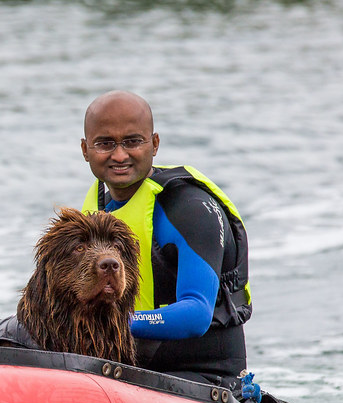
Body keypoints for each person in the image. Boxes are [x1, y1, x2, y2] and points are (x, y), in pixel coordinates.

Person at [79, 90, 252, 388]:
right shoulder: (94, 212)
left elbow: (197, 313)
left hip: (204, 377)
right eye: (105, 143)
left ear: (154, 144)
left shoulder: (189, 209)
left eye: (132, 141)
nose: (119, 155)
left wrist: (113, 323)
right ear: (85, 149)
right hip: (131, 369)